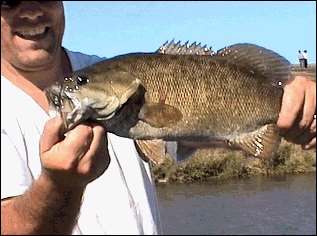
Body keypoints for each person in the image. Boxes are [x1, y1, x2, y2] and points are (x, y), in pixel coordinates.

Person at [1, 1, 315, 235]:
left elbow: (199, 128)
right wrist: (61, 186)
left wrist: (298, 98)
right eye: (9, 1)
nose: (30, 9)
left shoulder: (109, 69)